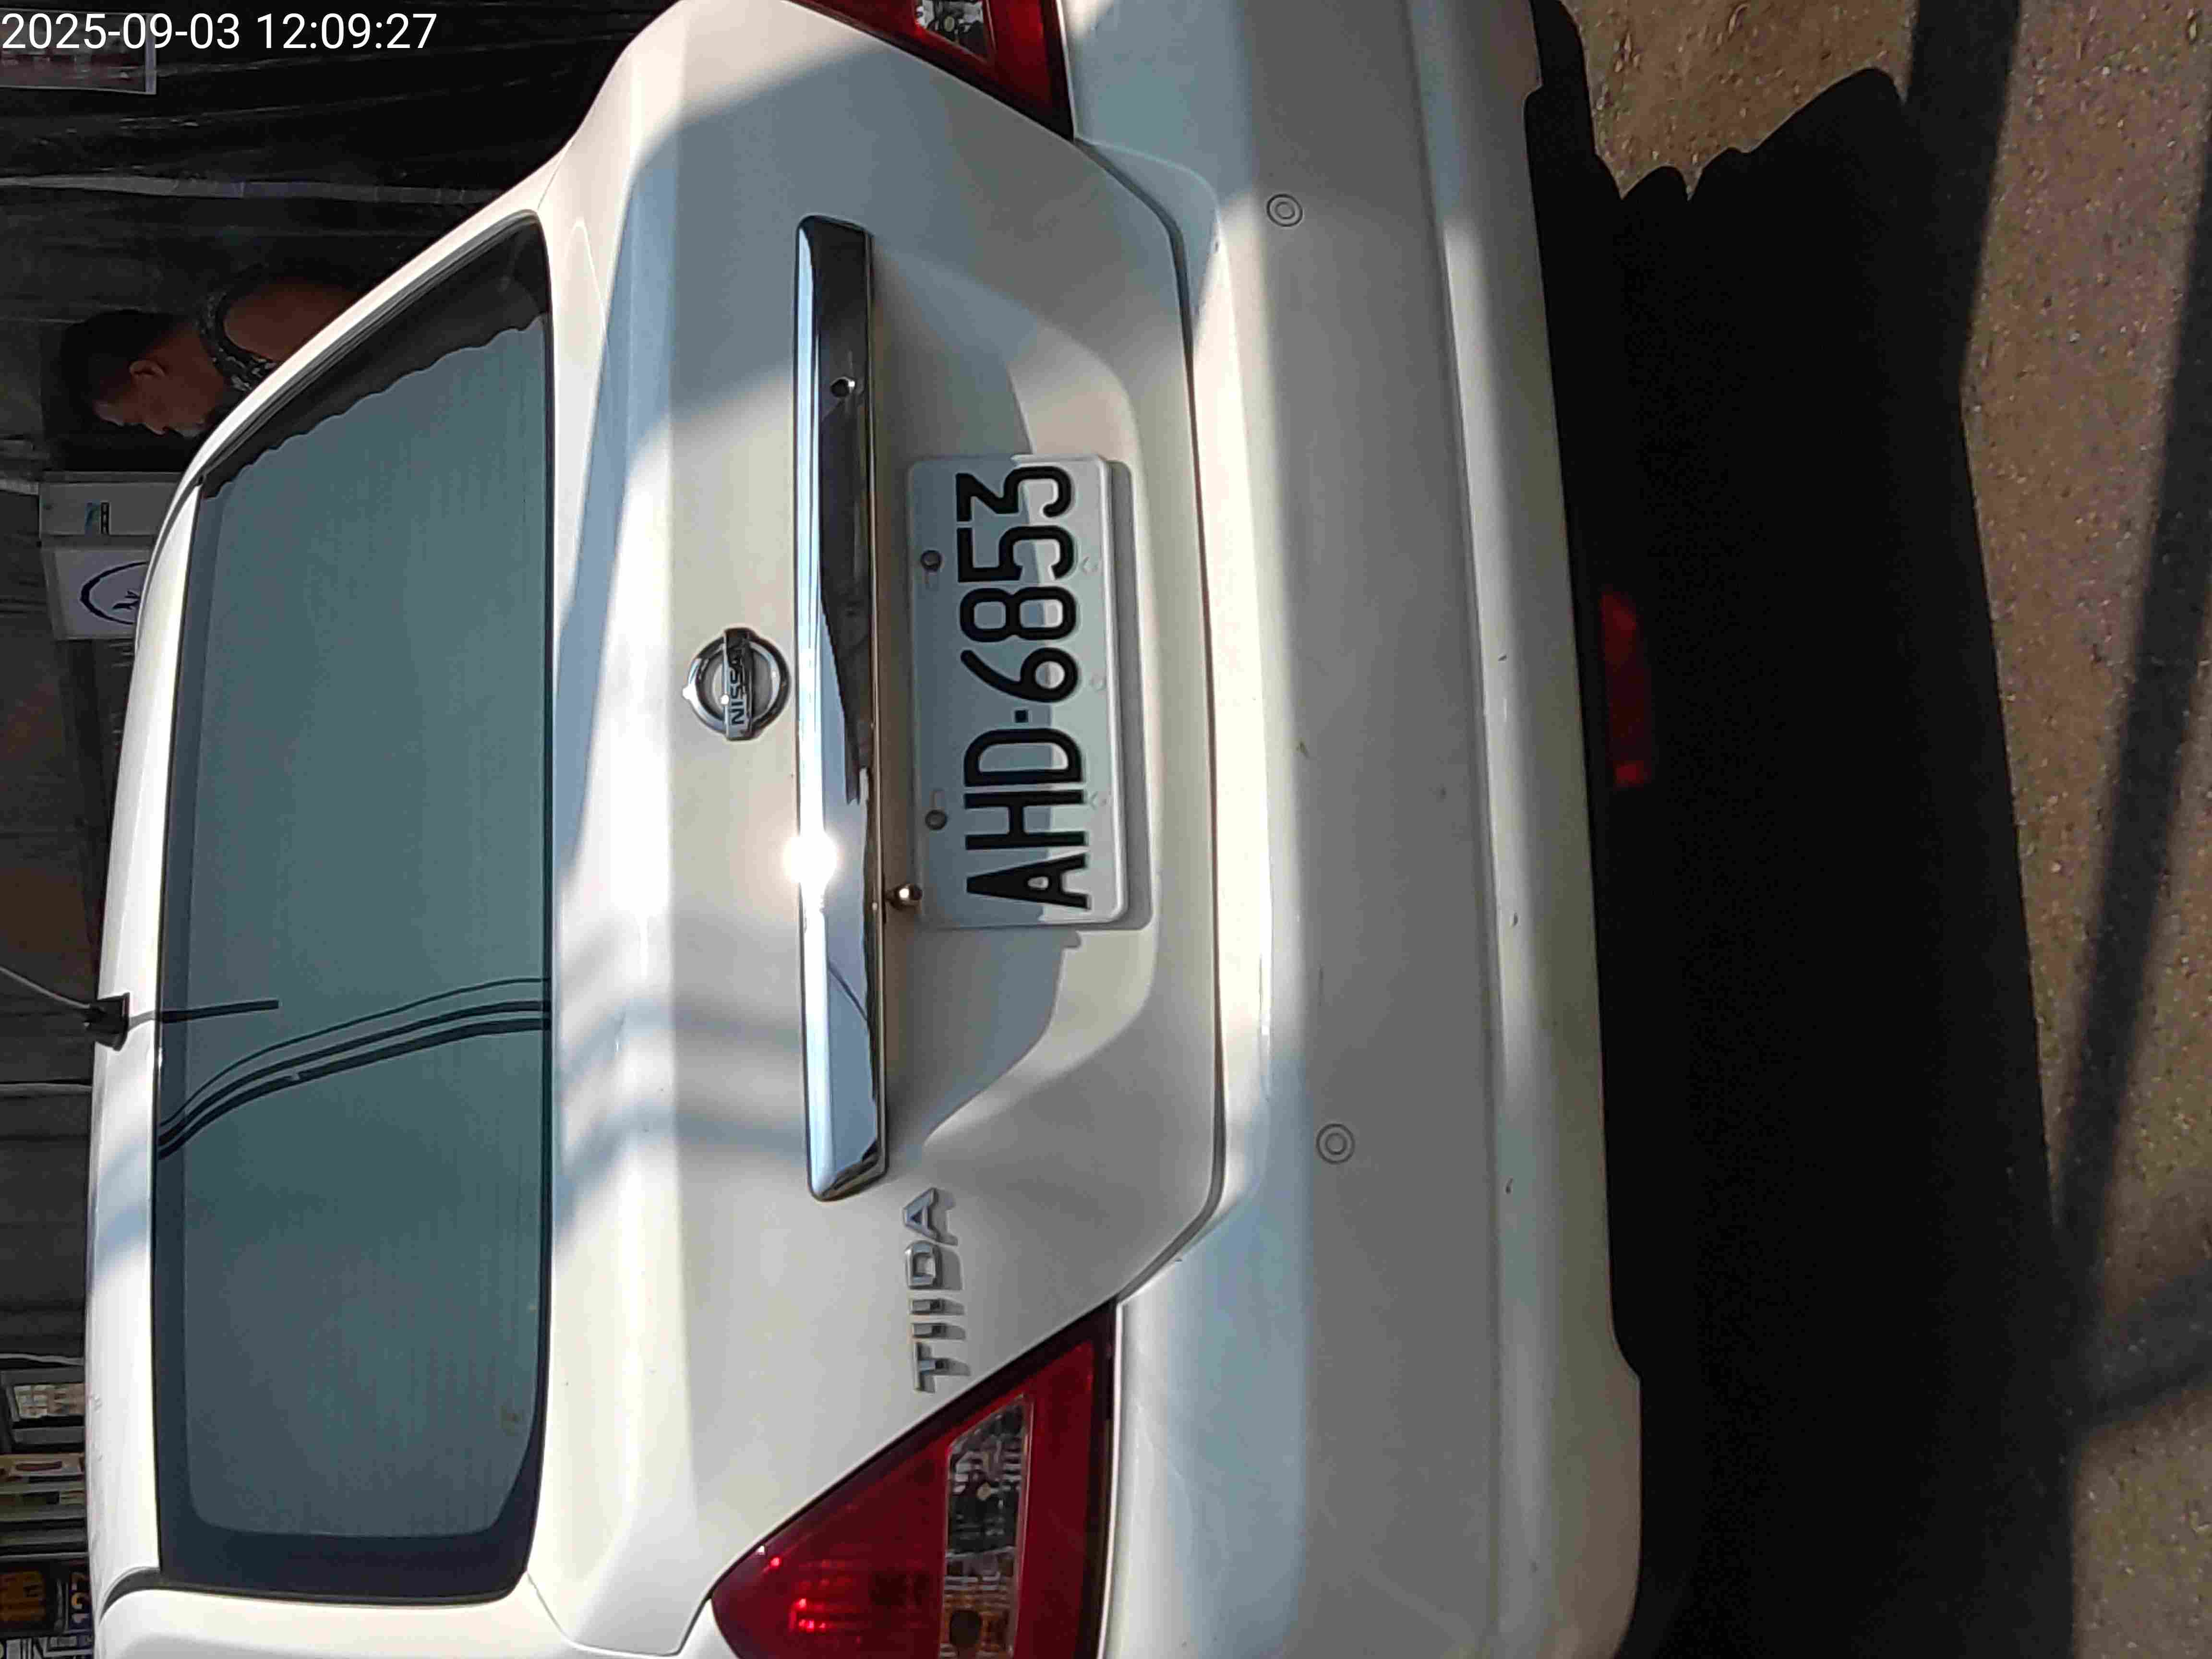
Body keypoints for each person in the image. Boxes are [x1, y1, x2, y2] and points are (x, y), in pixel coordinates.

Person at [60, 265, 361, 437]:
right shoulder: (231, 359)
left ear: (148, 372)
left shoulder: (244, 323)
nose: (159, 429)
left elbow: (374, 337)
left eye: (144, 417)